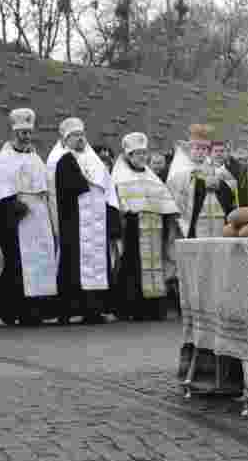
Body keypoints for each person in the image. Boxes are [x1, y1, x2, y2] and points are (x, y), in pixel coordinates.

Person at [47, 117, 122, 325]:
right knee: (72, 264)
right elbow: (65, 190)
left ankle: (94, 309)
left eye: (81, 135)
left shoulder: (94, 160)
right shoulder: (60, 159)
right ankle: (69, 309)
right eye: (74, 136)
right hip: (73, 223)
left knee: (97, 264)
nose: (79, 139)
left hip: (96, 224)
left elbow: (108, 189)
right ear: (65, 139)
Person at [0, 108, 58, 326]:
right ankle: (16, 310)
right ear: (14, 133)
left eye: (29, 132)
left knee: (40, 262)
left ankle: (38, 309)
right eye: (22, 133)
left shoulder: (36, 158)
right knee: (18, 265)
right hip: (17, 219)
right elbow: (1, 187)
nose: (26, 137)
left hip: (39, 216)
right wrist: (13, 205)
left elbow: (46, 186)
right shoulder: (4, 158)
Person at [112, 132, 181, 321]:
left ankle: (154, 308)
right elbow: (119, 206)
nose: (142, 157)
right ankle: (133, 308)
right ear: (129, 156)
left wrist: (169, 215)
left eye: (144, 153)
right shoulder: (120, 177)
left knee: (155, 266)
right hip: (133, 230)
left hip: (155, 229)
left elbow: (166, 203)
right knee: (133, 267)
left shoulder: (152, 178)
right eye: (138, 153)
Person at [167, 124, 236, 239]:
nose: (201, 152)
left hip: (216, 219)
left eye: (204, 149)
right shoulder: (180, 168)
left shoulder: (214, 167)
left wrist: (219, 185)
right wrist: (201, 184)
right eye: (197, 148)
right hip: (194, 220)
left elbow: (232, 186)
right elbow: (176, 193)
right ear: (190, 149)